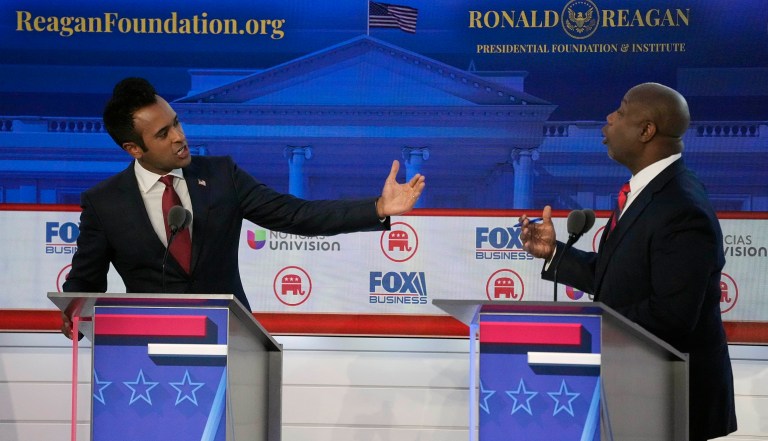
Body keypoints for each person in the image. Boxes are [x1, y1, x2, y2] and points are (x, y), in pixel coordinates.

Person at [61, 77, 425, 337]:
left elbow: (297, 215)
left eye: (176, 123)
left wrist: (377, 207)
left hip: (231, 338)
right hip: (146, 348)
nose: (179, 137)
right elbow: (84, 287)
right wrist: (74, 318)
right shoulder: (105, 202)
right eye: (162, 134)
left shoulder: (222, 176)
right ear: (134, 149)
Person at [519, 83, 736, 440]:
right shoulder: (650, 191)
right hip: (640, 392)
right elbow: (618, 278)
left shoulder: (681, 207)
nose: (609, 118)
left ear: (646, 130)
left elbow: (673, 316)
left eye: (620, 112)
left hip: (671, 403)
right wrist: (555, 253)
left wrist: (592, 326)